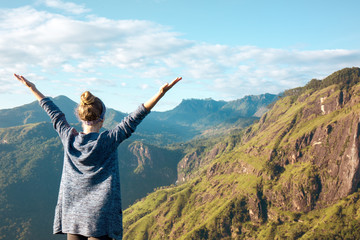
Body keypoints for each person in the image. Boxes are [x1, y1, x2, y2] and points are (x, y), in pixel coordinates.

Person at [14, 73, 181, 240]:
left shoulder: (68, 138)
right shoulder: (108, 141)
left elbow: (54, 113)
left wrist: (32, 88)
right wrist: (160, 93)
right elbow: (135, 117)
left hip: (73, 218)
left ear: (80, 117)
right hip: (101, 220)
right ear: (102, 119)